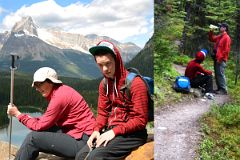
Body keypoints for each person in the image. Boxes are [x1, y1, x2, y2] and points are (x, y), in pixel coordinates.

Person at [75, 40, 148, 160]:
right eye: (100, 65)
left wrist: (114, 132)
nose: (104, 69)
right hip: (112, 130)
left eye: (108, 63)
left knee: (95, 157)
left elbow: (140, 120)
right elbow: (103, 113)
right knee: (80, 156)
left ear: (117, 60)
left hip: (134, 134)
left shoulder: (136, 83)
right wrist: (96, 130)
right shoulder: (104, 84)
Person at [7, 67, 95, 160]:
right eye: (35, 85)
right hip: (80, 135)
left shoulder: (59, 97)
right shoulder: (61, 91)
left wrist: (18, 114)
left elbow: (38, 126)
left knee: (32, 138)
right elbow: (46, 121)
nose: (37, 88)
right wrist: (28, 118)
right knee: (41, 132)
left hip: (84, 142)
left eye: (39, 84)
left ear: (51, 82)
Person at [208, 23, 231, 95]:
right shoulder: (220, 36)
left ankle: (223, 90)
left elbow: (226, 50)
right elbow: (211, 39)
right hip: (216, 58)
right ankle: (219, 89)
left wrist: (220, 58)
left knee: (220, 74)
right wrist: (211, 31)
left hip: (221, 59)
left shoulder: (227, 37)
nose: (219, 27)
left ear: (225, 28)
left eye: (221, 26)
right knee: (217, 74)